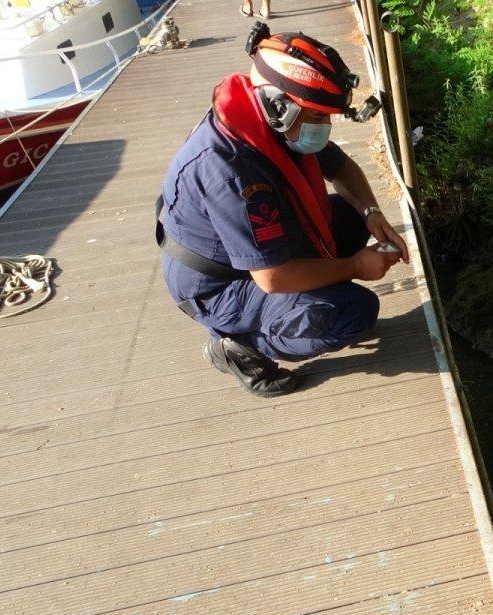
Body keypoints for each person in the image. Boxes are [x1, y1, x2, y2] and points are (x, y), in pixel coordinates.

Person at [157, 25, 407, 397]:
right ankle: (238, 346)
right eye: (319, 118)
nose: (325, 128)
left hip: (258, 247)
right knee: (355, 312)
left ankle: (313, 290)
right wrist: (356, 266)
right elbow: (273, 278)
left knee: (355, 218)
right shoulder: (228, 168)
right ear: (281, 105)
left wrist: (373, 213)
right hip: (220, 285)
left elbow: (342, 168)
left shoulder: (274, 121)